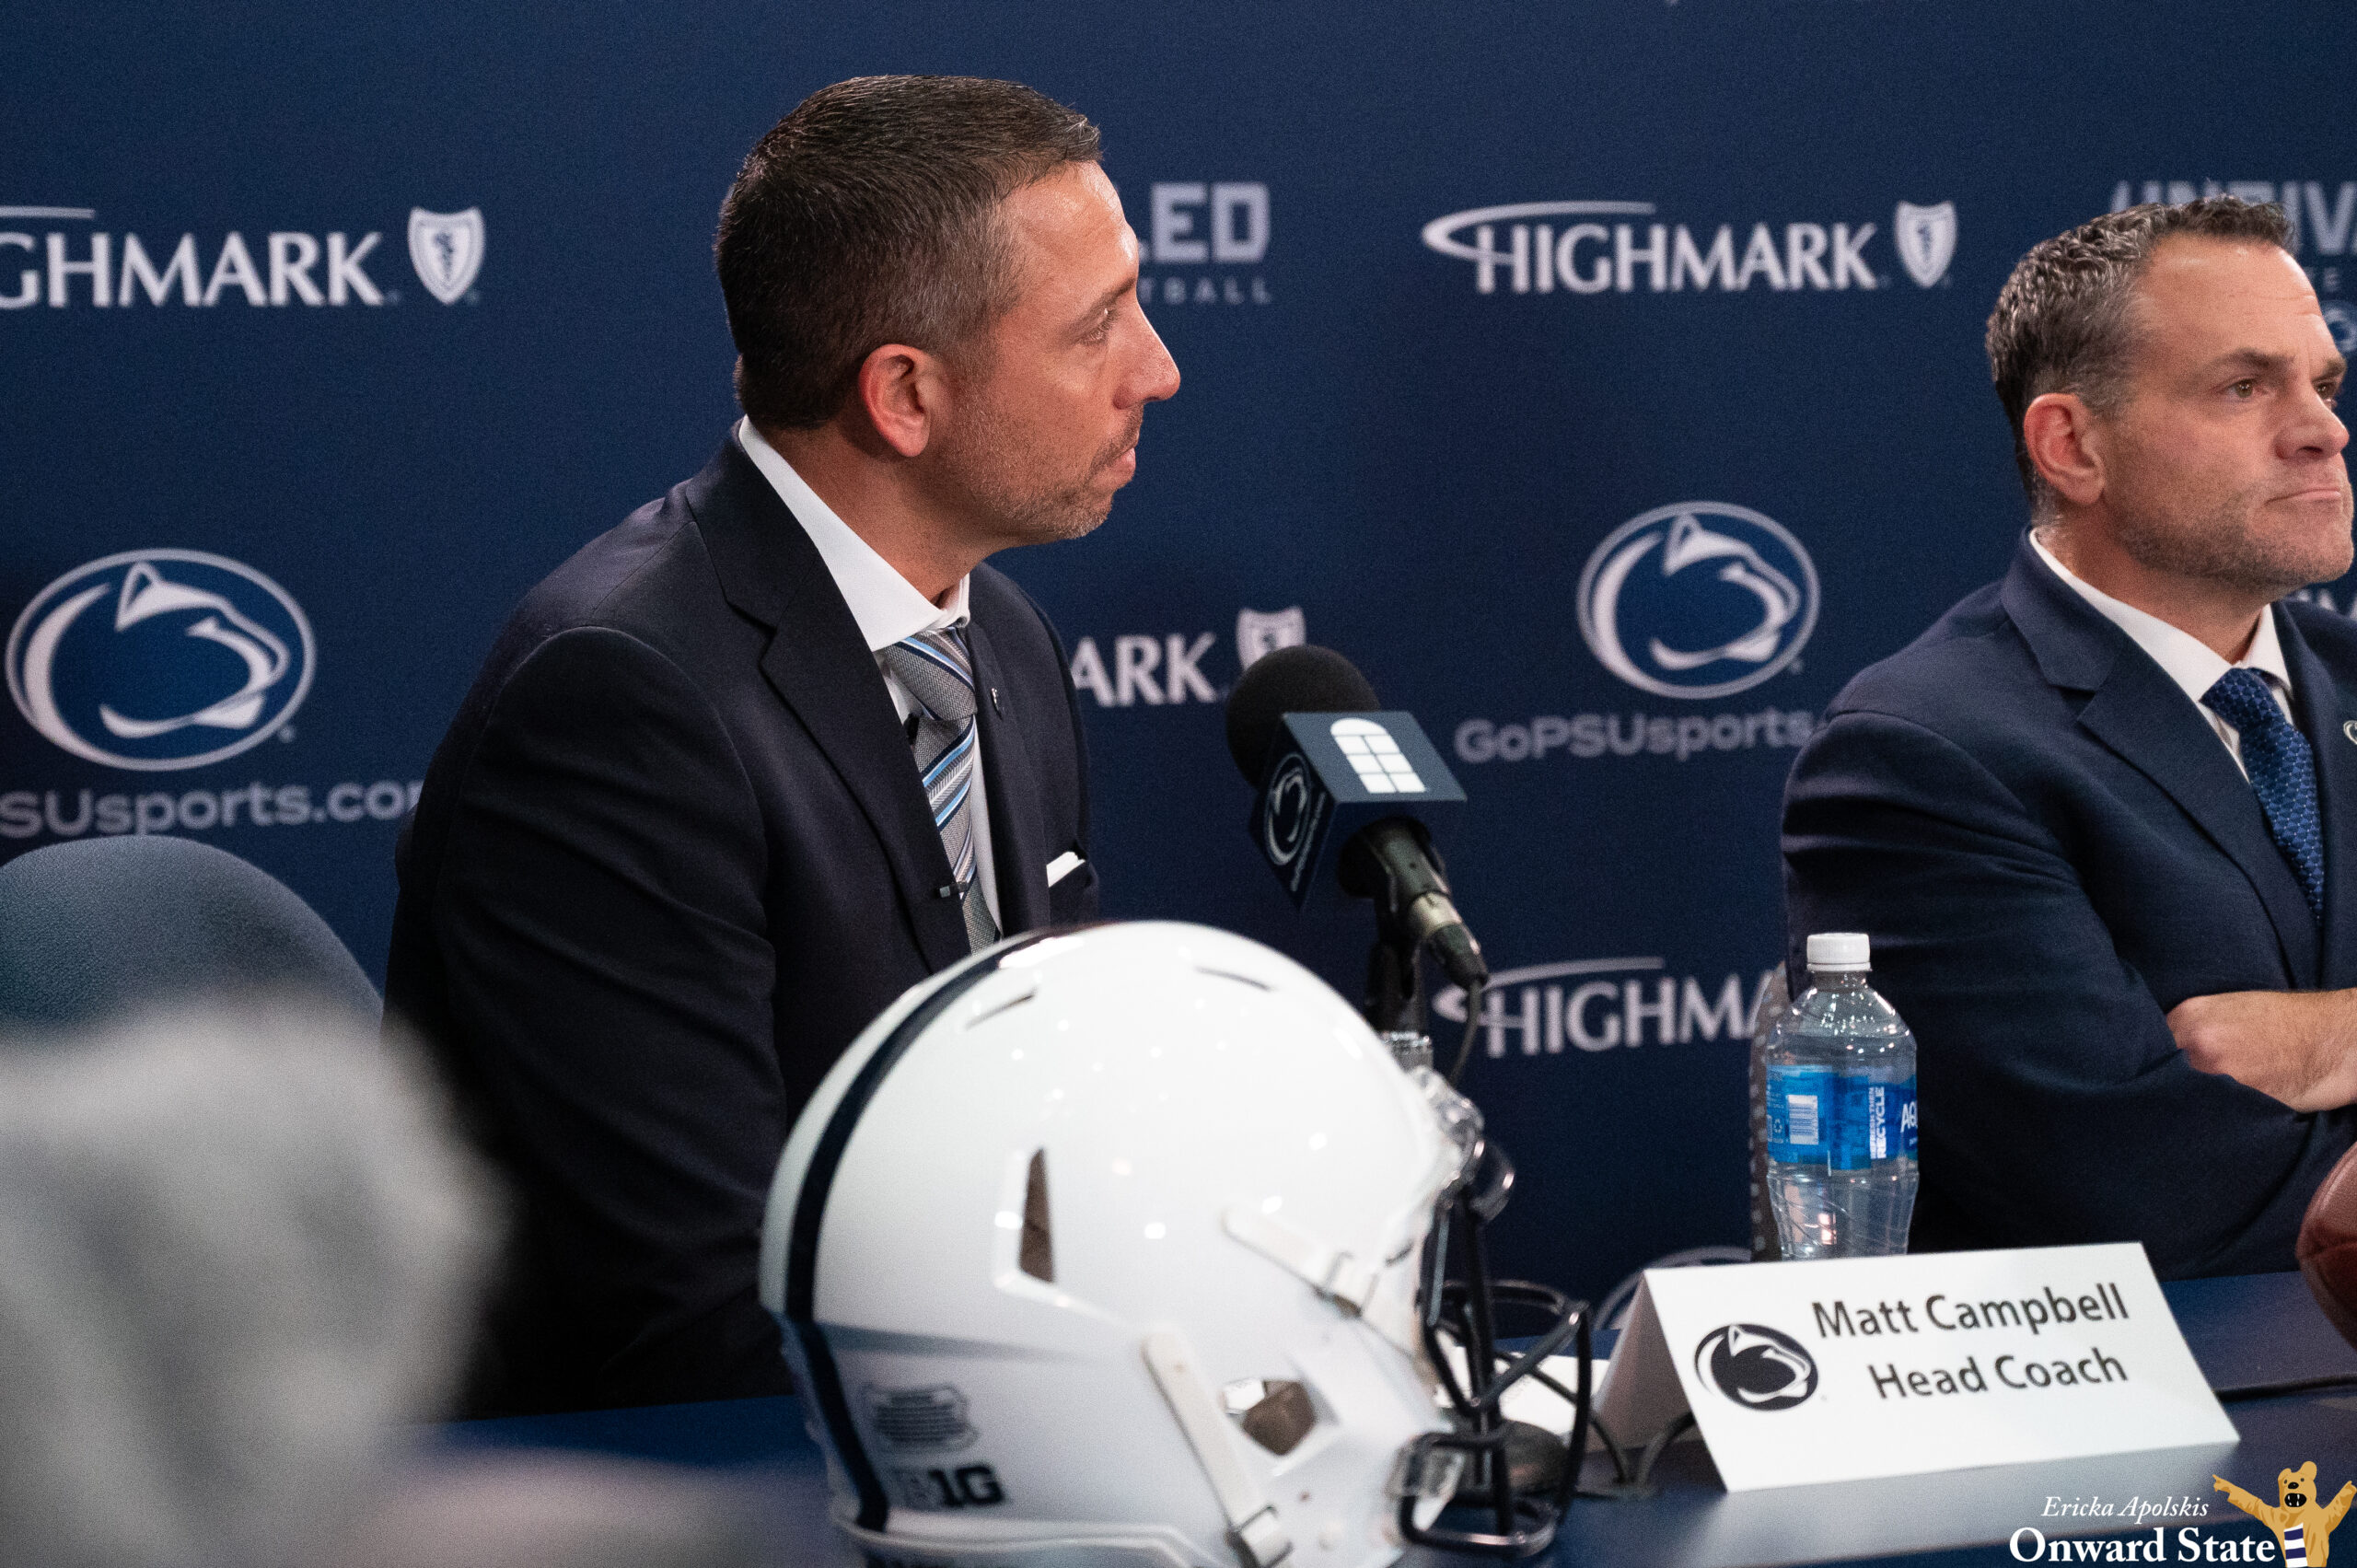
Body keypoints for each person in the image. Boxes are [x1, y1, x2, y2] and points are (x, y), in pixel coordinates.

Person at [385, 75, 1178, 1414]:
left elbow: (1052, 1132)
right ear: (905, 395)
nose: (1154, 368)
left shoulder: (1005, 638)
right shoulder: (620, 702)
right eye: (1097, 325)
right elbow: (698, 1309)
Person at [1782, 196, 2357, 1275]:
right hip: (2160, 1373)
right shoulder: (1922, 751)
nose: (2323, 429)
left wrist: (2329, 1035)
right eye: (2244, 387)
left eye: (2322, 385)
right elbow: (2146, 1191)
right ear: (2072, 445)